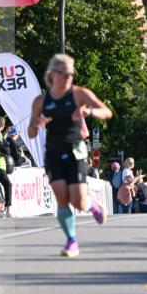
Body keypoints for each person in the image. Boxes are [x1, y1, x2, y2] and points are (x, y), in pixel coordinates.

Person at [28, 53, 112, 257]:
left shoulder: (79, 94)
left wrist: (89, 112)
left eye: (71, 74)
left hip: (75, 150)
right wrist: (36, 125)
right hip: (53, 152)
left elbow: (106, 112)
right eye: (64, 74)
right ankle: (71, 241)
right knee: (61, 197)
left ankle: (92, 205)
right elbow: (31, 133)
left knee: (78, 202)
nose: (68, 78)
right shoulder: (41, 101)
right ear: (52, 74)